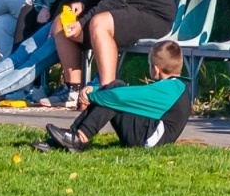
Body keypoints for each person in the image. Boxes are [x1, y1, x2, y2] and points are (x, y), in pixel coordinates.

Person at [38, 39, 191, 152]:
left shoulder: (172, 88)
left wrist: (93, 95)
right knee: (115, 90)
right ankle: (70, 138)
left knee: (116, 94)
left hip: (149, 140)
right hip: (148, 135)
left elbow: (125, 97)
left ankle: (79, 138)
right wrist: (98, 90)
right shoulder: (174, 87)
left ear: (156, 69)